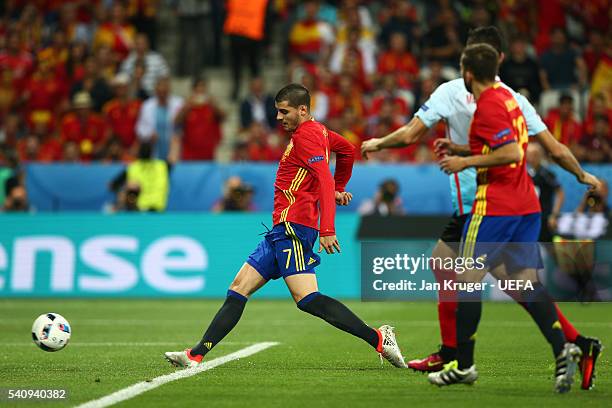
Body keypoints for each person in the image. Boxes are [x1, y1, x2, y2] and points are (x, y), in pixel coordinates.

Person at [361, 26, 602, 390]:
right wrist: (582, 174)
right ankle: (574, 344)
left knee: (467, 276)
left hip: (486, 204)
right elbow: (553, 148)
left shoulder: (460, 93)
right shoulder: (515, 99)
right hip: (516, 202)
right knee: (502, 279)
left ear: (467, 64)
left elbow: (413, 135)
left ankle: (459, 357)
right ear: (499, 59)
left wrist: (379, 144)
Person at [164, 84, 406, 369]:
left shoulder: (307, 136)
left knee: (307, 299)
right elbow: (347, 150)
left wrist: (328, 226)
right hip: (280, 229)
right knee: (238, 288)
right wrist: (340, 188)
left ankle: (379, 338)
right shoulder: (320, 132)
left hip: (295, 227)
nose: (278, 117)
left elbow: (324, 178)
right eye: (277, 111)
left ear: (303, 110)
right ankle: (195, 354)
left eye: (284, 111)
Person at [432, 43, 579, 391]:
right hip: (525, 203)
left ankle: (463, 365)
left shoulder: (487, 106)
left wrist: (463, 162)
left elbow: (512, 152)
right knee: (525, 283)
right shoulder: (510, 98)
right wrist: (462, 148)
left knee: (465, 280)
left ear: (468, 73)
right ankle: (564, 350)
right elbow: (513, 143)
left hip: (496, 205)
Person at [136, 77, 183, 161]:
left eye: (164, 92)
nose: (162, 94)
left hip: (173, 148)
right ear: (155, 90)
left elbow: (183, 125)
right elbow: (140, 128)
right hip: (154, 148)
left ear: (169, 90)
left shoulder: (179, 103)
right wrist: (149, 134)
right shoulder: (147, 106)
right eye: (160, 92)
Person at [527, 143, 564, 242]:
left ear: (540, 155)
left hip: (544, 217)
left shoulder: (546, 174)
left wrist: (554, 214)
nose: (531, 158)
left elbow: (560, 192)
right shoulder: (526, 174)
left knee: (549, 246)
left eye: (535, 154)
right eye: (529, 154)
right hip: (530, 217)